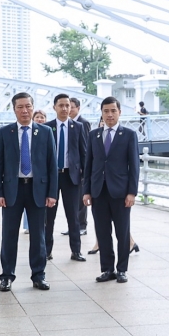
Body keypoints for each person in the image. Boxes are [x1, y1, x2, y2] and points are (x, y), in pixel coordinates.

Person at [0, 92, 57, 291]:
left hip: (38, 190)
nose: (25, 110)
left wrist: (52, 193)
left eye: (28, 106)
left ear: (33, 107)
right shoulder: (5, 132)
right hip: (12, 190)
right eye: (20, 107)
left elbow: (52, 165)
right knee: (9, 235)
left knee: (38, 236)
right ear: (14, 109)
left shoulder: (45, 132)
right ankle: (7, 276)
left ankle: (38, 275)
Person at [84, 97, 139, 282]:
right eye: (106, 111)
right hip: (98, 191)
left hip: (121, 192)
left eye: (113, 111)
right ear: (101, 113)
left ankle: (122, 269)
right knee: (102, 232)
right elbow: (89, 165)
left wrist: (132, 192)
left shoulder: (129, 135)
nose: (109, 114)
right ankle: (107, 269)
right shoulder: (94, 135)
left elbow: (134, 166)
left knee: (122, 232)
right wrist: (86, 191)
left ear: (119, 112)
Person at [45, 93, 88, 263]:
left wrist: (84, 178)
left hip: (71, 177)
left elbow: (84, 153)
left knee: (73, 217)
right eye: (61, 105)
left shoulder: (78, 127)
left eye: (67, 105)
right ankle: (46, 251)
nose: (64, 108)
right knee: (48, 217)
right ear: (54, 107)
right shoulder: (47, 128)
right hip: (51, 177)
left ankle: (76, 251)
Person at [70, 96, 91, 235]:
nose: (69, 110)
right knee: (72, 200)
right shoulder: (68, 123)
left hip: (80, 167)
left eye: (72, 107)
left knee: (81, 198)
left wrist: (85, 166)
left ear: (78, 108)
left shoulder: (84, 123)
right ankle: (74, 226)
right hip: (71, 168)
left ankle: (82, 226)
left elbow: (86, 146)